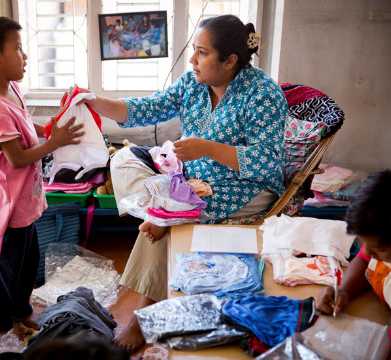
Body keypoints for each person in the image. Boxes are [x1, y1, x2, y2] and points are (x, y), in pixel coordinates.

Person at [83, 14, 288, 353]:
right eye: (194, 50)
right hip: (198, 181)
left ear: (230, 61)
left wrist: (206, 148)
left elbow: (267, 162)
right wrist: (94, 101)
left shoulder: (263, 94)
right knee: (123, 159)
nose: (192, 59)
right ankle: (163, 211)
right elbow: (147, 108)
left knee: (170, 217)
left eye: (202, 53)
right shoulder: (194, 82)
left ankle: (141, 315)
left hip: (248, 186)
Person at [0, 16, 85, 338]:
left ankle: (20, 311)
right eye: (17, 48)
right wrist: (53, 143)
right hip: (6, 210)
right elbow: (16, 158)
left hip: (24, 203)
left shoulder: (12, 91)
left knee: (25, 265)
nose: (26, 55)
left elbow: (26, 126)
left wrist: (50, 130)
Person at [316, 169, 391, 350]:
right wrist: (343, 291)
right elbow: (363, 260)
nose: (367, 252)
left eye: (378, 249)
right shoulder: (384, 237)